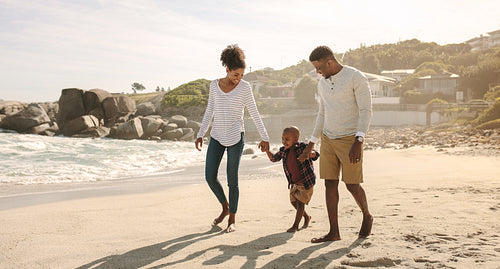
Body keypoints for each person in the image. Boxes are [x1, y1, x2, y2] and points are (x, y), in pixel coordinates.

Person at [298, 45, 373, 243]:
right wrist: (311, 143)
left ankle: (366, 214)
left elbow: (366, 110)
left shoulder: (356, 77)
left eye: (319, 67)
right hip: (329, 140)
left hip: (350, 140)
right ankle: (334, 232)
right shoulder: (322, 84)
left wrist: (359, 140)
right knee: (329, 184)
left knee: (352, 185)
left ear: (329, 62)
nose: (317, 71)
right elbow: (322, 114)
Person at [195, 44, 270, 233]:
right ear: (227, 69)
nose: (238, 79)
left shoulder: (244, 88)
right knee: (210, 177)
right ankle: (225, 207)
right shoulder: (214, 85)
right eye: (236, 75)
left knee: (232, 180)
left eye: (241, 75)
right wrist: (200, 133)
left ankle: (232, 220)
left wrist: (265, 136)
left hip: (236, 137)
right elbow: (209, 111)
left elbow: (254, 112)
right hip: (217, 137)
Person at [265, 126, 319, 233]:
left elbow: (316, 154)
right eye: (283, 139)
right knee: (294, 202)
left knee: (300, 203)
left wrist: (310, 154)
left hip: (305, 182)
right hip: (294, 183)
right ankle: (307, 217)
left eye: (287, 139)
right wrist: (267, 150)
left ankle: (295, 225)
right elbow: (273, 158)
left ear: (296, 139)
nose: (284, 141)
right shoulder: (284, 150)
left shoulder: (303, 147)